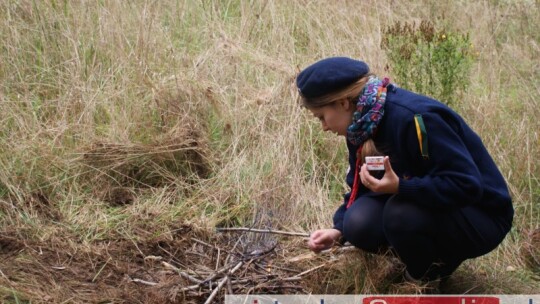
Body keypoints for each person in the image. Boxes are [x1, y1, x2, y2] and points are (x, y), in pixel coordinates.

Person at [297, 57, 513, 283]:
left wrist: (402, 187)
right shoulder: (362, 124)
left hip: (481, 215)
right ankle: (423, 257)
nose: (323, 127)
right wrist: (338, 229)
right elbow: (359, 186)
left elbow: (467, 185)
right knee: (357, 224)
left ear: (343, 103)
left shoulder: (416, 118)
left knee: (400, 213)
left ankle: (425, 277)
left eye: (321, 117)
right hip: (428, 204)